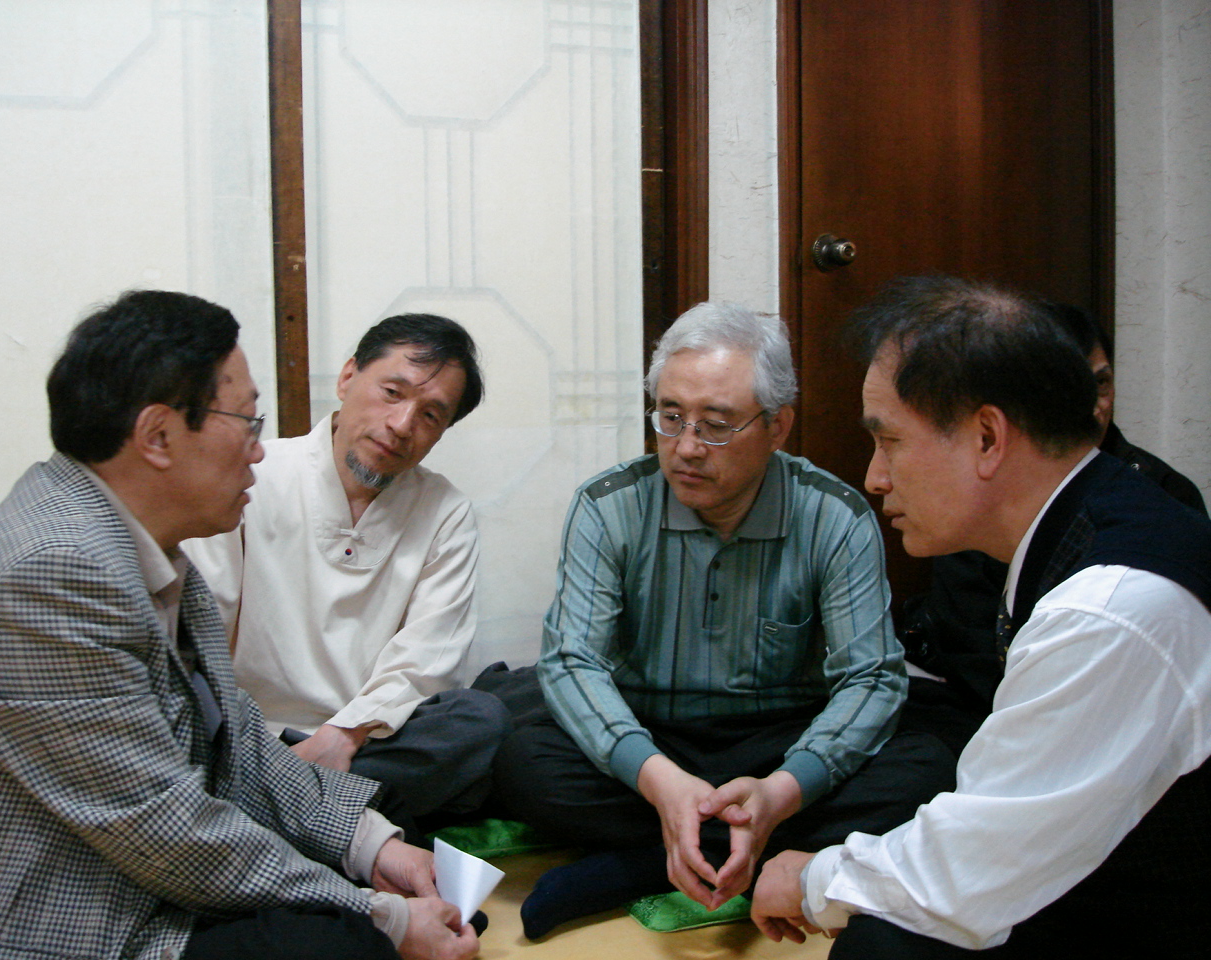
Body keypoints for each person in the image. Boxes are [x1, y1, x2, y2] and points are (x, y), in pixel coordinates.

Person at [0, 290, 479, 960]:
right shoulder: (53, 574)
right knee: (339, 945)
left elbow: (233, 735)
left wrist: (371, 845)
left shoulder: (142, 543)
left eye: (431, 414)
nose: (257, 451)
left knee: (473, 728)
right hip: (65, 909)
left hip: (173, 837)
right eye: (246, 422)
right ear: (157, 435)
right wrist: (381, 916)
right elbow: (161, 823)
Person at [745, 276, 1211, 958]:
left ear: (988, 437)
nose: (875, 477)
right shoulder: (1091, 516)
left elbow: (969, 874)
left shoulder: (1109, 608)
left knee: (887, 943)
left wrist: (812, 878)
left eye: (890, 441)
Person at [485, 301, 954, 938]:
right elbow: (572, 662)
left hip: (782, 740)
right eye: (670, 416)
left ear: (778, 426)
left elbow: (870, 678)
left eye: (716, 425)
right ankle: (737, 850)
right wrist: (660, 782)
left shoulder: (835, 517)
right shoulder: (607, 508)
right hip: (654, 738)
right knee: (525, 761)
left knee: (928, 765)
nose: (686, 447)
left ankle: (650, 860)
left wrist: (781, 791)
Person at [185, 313, 508, 833]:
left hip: (366, 742)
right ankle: (341, 816)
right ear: (348, 376)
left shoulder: (444, 511)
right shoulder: (254, 478)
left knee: (478, 720)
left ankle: (294, 813)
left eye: (430, 415)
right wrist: (255, 748)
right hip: (254, 741)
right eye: (392, 392)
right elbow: (201, 638)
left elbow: (428, 660)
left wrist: (345, 733)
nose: (401, 424)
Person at [898, 300, 1208, 757]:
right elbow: (967, 648)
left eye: (1101, 383)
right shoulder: (977, 502)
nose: (1091, 405)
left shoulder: (1153, 504)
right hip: (982, 700)